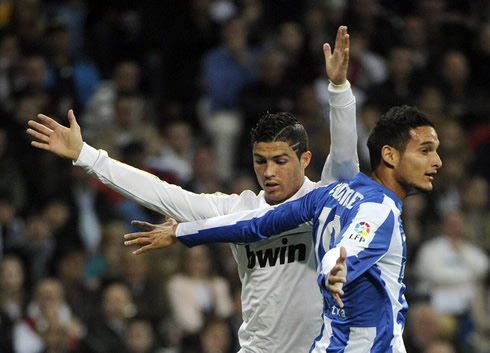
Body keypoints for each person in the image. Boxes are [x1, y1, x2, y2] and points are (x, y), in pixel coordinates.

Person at [27, 26, 357, 353]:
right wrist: (86, 155)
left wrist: (339, 89)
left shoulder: (324, 202)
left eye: (280, 161)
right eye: (260, 161)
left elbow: (344, 160)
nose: (268, 172)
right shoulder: (236, 209)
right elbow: (160, 192)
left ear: (306, 159)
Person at [146, 105, 443, 352]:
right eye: (426, 151)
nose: (437, 161)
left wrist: (182, 232)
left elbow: (257, 224)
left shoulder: (329, 194)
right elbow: (352, 246)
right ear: (390, 155)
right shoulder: (378, 210)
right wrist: (335, 269)